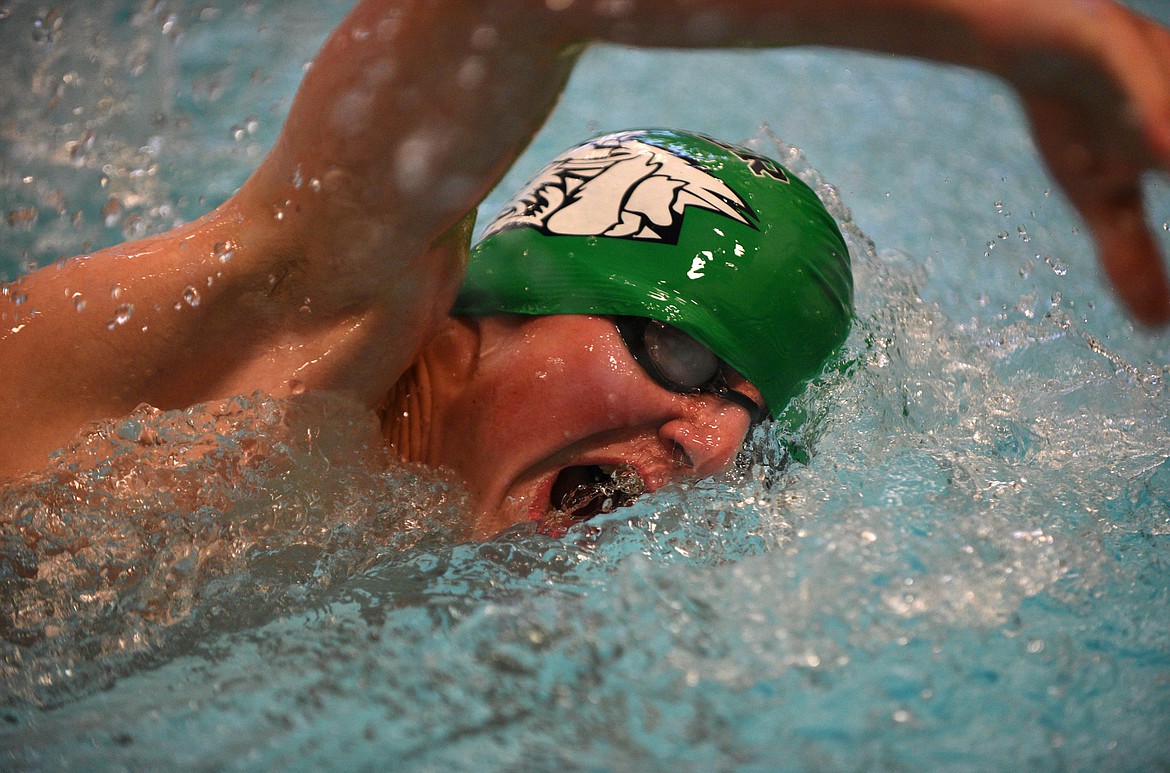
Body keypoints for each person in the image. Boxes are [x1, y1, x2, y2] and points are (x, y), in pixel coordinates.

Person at [1, 0, 1168, 540]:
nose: (710, 445)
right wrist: (1017, 35)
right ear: (488, 315)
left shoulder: (471, 569)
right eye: (684, 351)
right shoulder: (279, 342)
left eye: (745, 419)